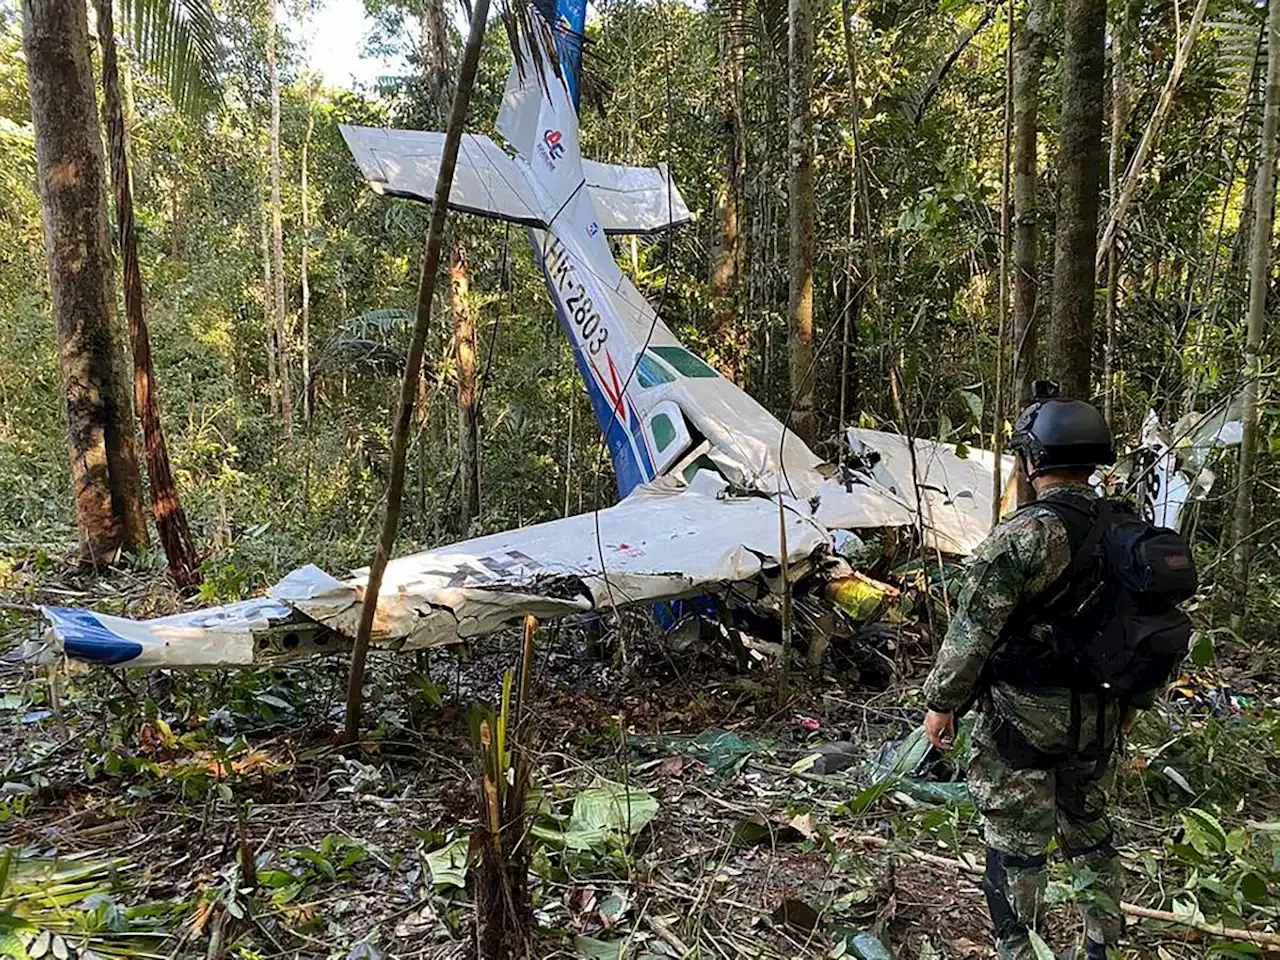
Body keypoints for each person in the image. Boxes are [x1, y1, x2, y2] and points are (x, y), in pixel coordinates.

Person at [920, 383, 1136, 960]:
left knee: (1016, 844)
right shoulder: (1126, 528)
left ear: (1033, 458)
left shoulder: (1024, 534)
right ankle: (1102, 946)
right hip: (1101, 713)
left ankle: (1020, 949)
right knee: (1090, 831)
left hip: (1023, 718)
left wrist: (942, 701)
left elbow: (971, 634)